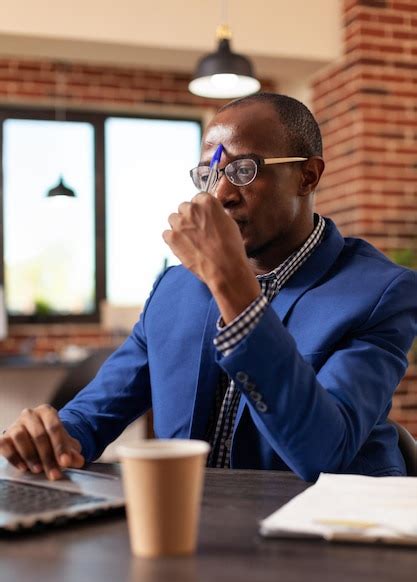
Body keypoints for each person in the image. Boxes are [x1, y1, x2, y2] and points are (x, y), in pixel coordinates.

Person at [1, 92, 416, 482]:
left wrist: (230, 283)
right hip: (196, 528)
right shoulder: (174, 288)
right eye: (210, 172)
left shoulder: (381, 292)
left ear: (307, 175)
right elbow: (94, 414)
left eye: (243, 170)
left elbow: (324, 454)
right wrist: (56, 436)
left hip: (331, 540)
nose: (220, 193)